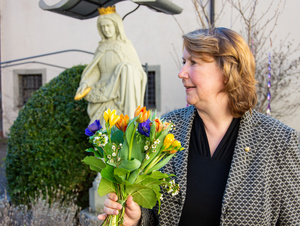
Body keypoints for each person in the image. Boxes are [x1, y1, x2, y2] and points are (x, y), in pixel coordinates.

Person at [98, 27, 300, 225]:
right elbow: (152, 213)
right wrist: (137, 219)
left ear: (227, 71)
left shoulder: (280, 142)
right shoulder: (166, 130)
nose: (181, 73)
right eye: (184, 62)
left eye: (193, 63)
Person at [75, 6, 147, 126]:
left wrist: (126, 70)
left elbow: (139, 72)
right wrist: (85, 83)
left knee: (117, 133)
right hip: (101, 93)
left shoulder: (125, 46)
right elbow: (95, 72)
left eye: (108, 26)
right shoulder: (100, 48)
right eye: (102, 27)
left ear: (116, 26)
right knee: (100, 134)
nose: (106, 29)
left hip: (119, 98)